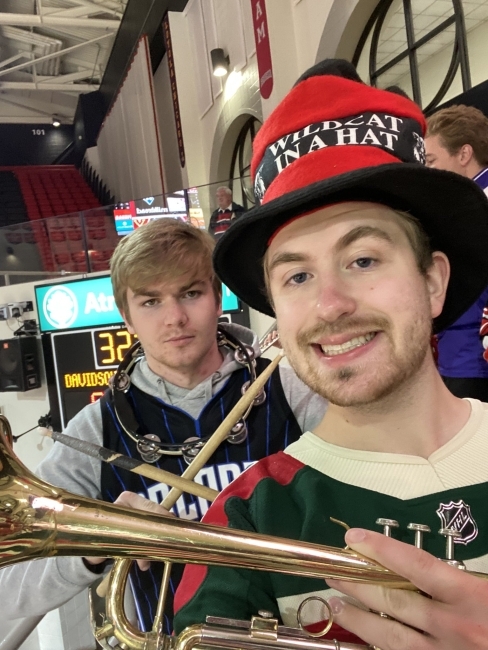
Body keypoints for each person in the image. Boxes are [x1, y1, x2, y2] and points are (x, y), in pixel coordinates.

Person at [173, 60, 488, 649]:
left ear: (433, 281)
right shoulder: (248, 521)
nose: (330, 305)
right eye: (296, 277)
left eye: (363, 259)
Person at [0, 218, 326, 634]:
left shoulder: (294, 387)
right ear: (127, 317)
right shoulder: (93, 432)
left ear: (217, 296)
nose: (175, 318)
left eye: (190, 293)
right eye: (150, 302)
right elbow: (8, 584)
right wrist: (97, 538)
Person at [425, 105, 488, 401]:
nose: (426, 172)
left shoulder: (475, 209)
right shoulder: (462, 207)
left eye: (431, 161)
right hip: (459, 352)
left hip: (472, 357)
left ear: (463, 155)